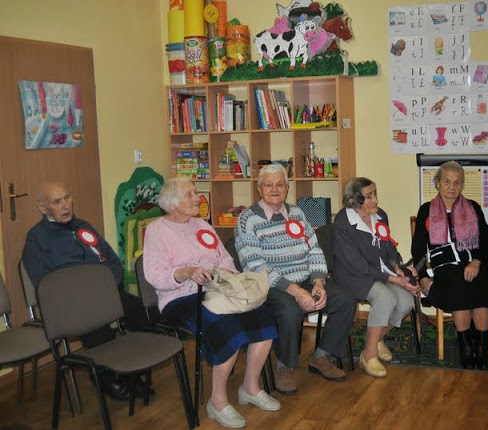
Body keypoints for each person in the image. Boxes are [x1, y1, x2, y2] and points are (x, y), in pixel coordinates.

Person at [143, 177, 279, 428]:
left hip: (216, 290)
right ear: (172, 204)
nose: (198, 198)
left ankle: (250, 387)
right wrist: (185, 272)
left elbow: (224, 257)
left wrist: (228, 274)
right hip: (179, 297)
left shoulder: (201, 225)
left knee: (263, 319)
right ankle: (217, 402)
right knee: (226, 329)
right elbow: (154, 275)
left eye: (196, 192)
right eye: (190, 194)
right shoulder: (156, 231)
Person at [235, 164, 356, 395]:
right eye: (268, 184)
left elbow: (314, 249)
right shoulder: (247, 219)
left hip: (306, 278)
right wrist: (295, 291)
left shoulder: (297, 214)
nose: (274, 189)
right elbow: (254, 266)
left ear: (287, 188)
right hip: (270, 285)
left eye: (280, 184)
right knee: (290, 310)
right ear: (259, 189)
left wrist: (318, 281)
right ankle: (283, 366)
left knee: (345, 299)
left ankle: (321, 356)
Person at [22, 182, 148, 401]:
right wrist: (86, 294)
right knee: (98, 325)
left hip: (104, 293)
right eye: (57, 201)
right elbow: (45, 284)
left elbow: (113, 262)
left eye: (67, 197)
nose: (65, 205)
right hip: (71, 303)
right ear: (42, 208)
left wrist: (107, 288)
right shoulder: (36, 238)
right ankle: (105, 377)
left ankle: (133, 369)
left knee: (143, 313)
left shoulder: (83, 227)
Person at [411, 161, 488, 370]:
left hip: (473, 263)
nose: (452, 187)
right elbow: (418, 248)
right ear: (438, 183)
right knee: (459, 285)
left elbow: (487, 239)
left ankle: (480, 349)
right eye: (447, 181)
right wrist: (423, 276)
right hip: (445, 266)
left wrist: (476, 262)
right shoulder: (427, 210)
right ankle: (466, 348)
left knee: (480, 284)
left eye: (457, 182)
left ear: (462, 185)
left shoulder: (473, 207)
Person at [332, 177, 419, 378]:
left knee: (406, 301)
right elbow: (356, 264)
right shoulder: (343, 223)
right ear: (354, 201)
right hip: (351, 274)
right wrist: (393, 279)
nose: (376, 200)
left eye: (375, 194)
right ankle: (368, 355)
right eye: (369, 196)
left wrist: (398, 267)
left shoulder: (380, 216)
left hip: (380, 271)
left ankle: (376, 337)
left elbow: (388, 247)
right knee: (385, 298)